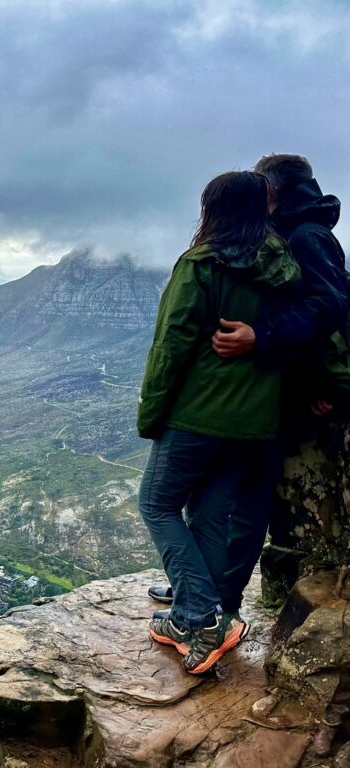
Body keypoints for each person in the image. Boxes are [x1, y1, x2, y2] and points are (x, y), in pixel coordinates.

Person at [148, 155, 350, 607]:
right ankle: (202, 593)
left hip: (273, 395)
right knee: (221, 508)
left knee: (242, 506)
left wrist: (271, 344)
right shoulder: (274, 244)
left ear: (273, 194)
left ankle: (214, 603)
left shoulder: (305, 238)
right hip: (267, 392)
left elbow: (330, 310)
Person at [137, 171, 300, 675]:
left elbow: (172, 345)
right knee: (209, 516)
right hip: (254, 422)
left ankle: (199, 616)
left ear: (212, 210)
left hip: (198, 413)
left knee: (157, 504)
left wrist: (152, 413)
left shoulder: (201, 265)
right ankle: (203, 618)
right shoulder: (285, 269)